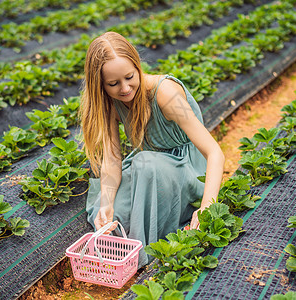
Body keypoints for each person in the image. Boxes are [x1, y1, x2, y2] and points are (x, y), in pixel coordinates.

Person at [79, 32, 225, 267]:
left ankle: (142, 260)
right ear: (101, 85)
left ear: (137, 67)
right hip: (148, 167)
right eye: (113, 84)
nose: (125, 88)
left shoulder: (166, 94)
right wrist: (106, 200)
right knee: (112, 216)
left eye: (129, 77)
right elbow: (113, 160)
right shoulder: (109, 103)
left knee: (145, 165)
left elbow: (214, 152)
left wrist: (207, 207)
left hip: (186, 170)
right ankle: (133, 247)